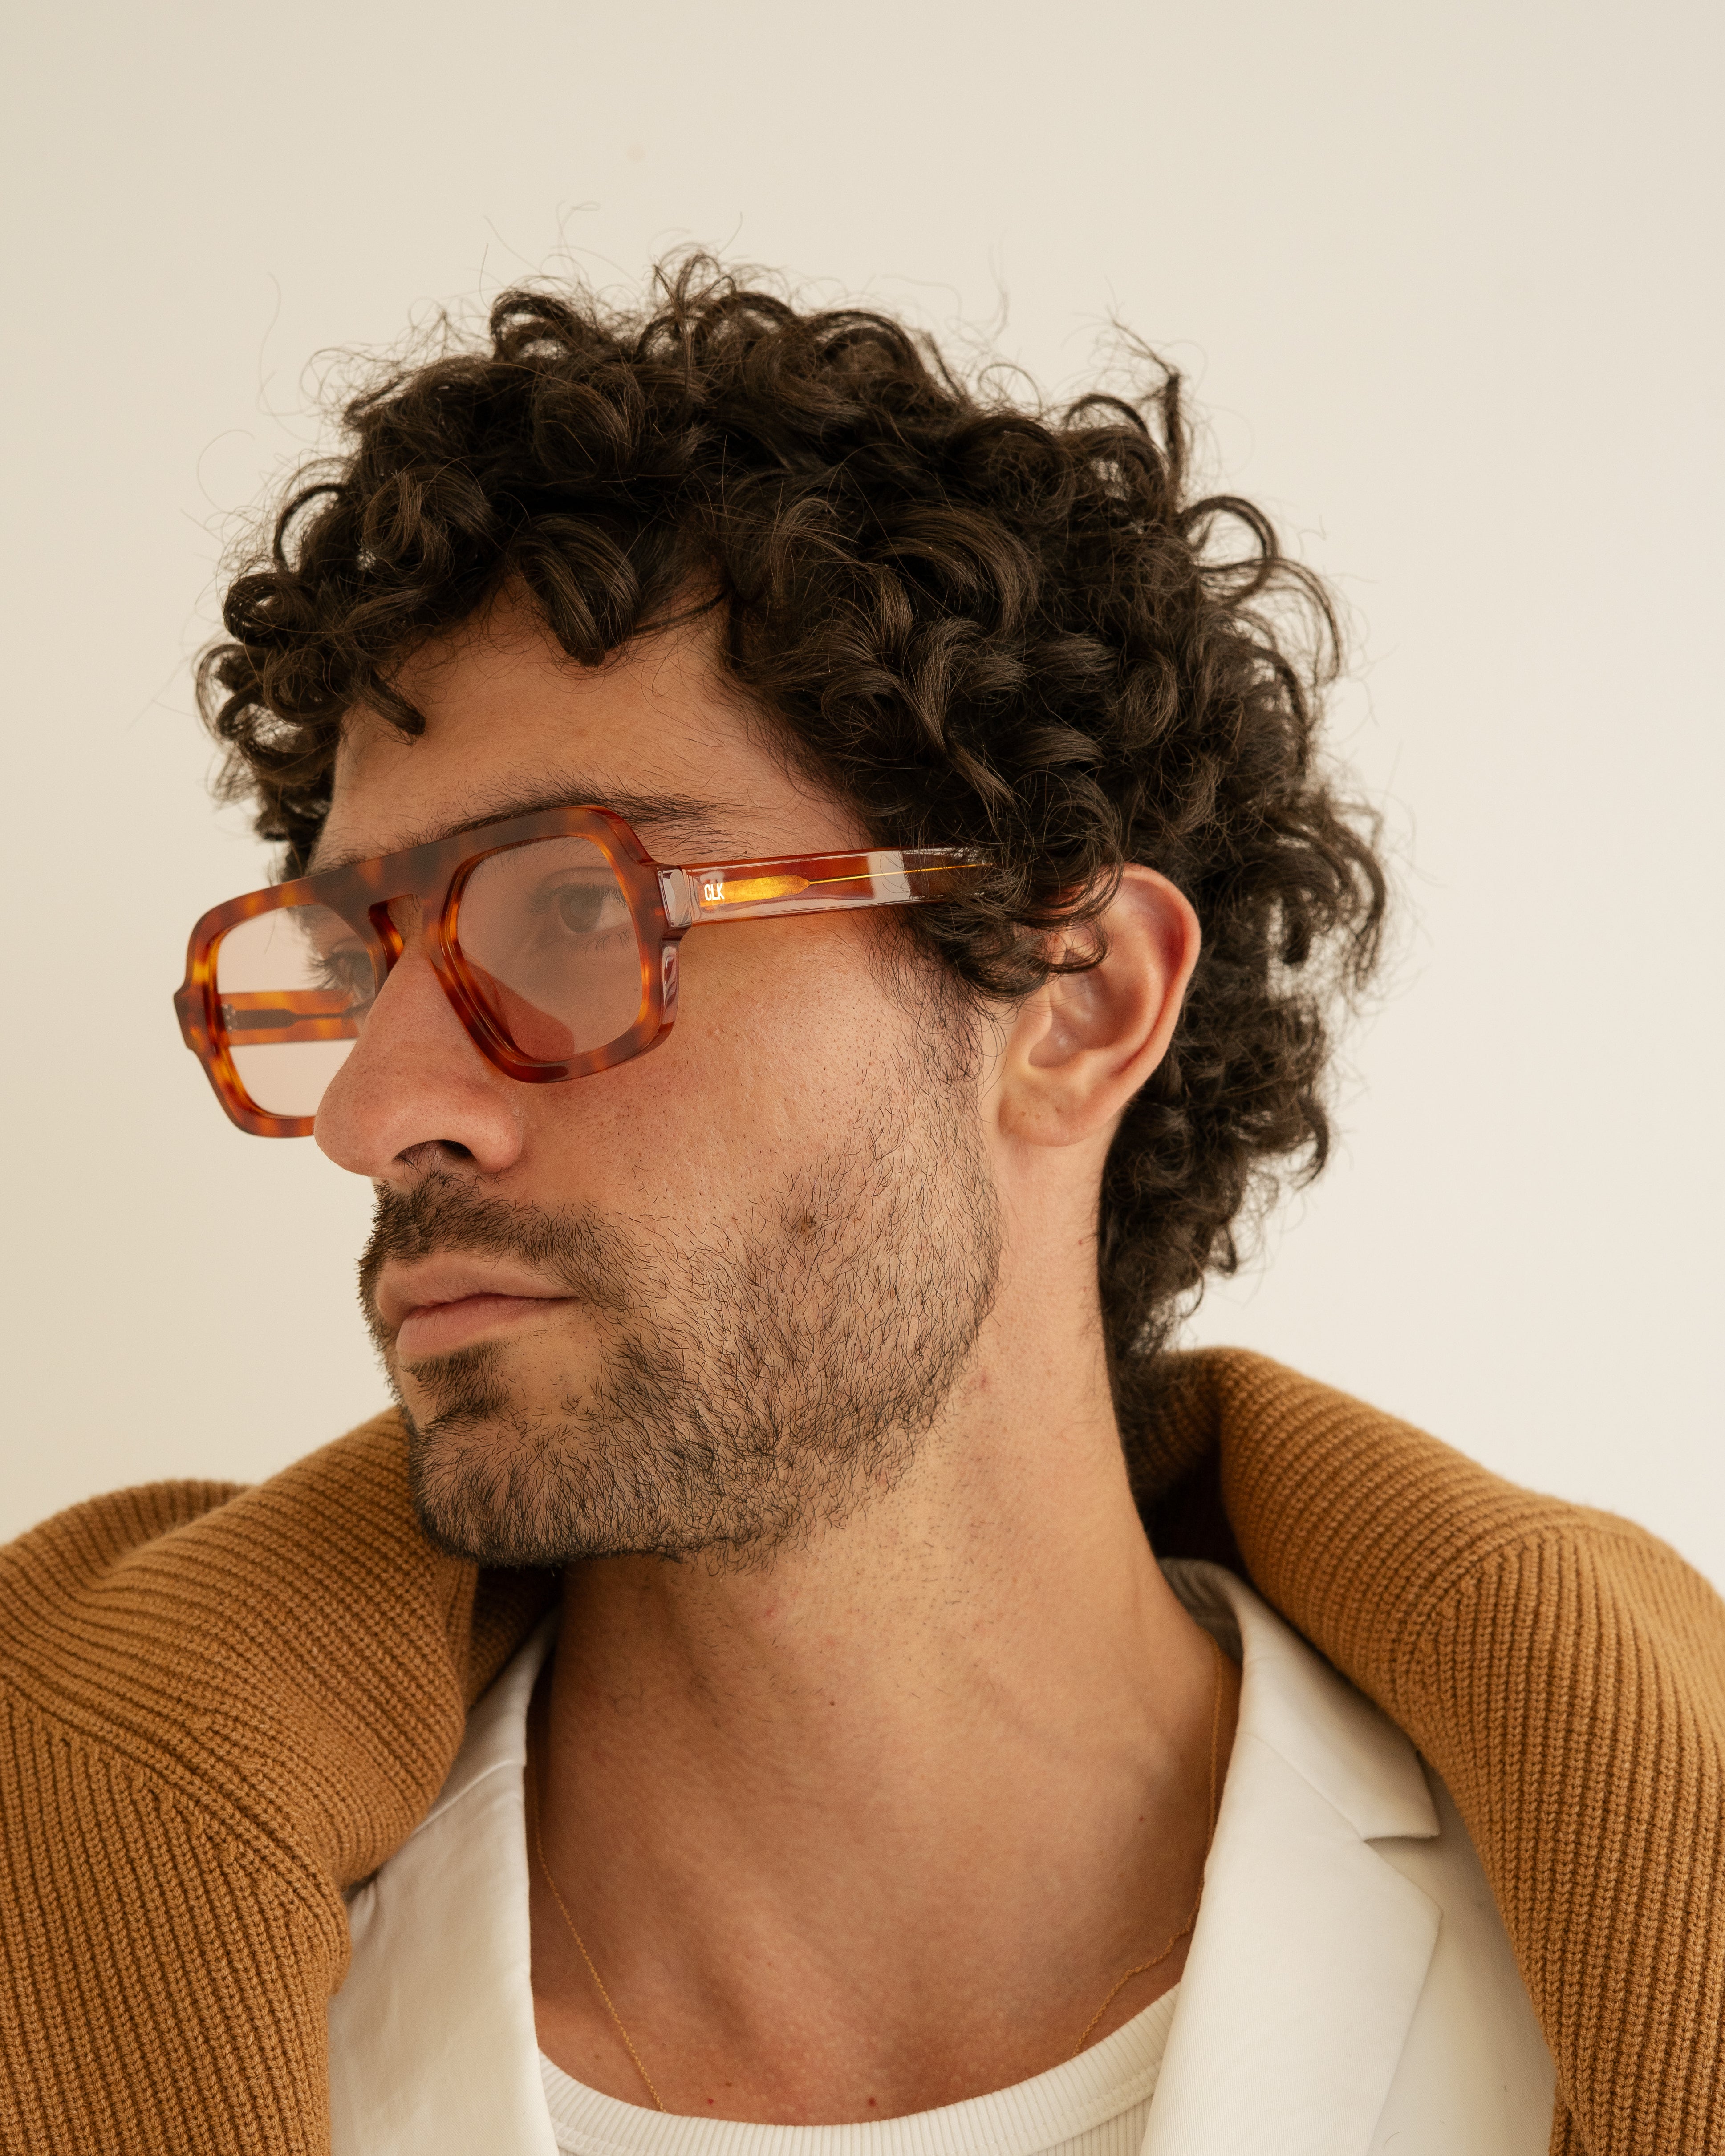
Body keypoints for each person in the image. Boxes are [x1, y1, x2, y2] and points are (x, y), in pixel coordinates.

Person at [1, 262, 1717, 2156]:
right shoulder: (95, 1952)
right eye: (355, 963)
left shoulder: (1608, 1945)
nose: (376, 1111)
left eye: (570, 910)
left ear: (1074, 1000)